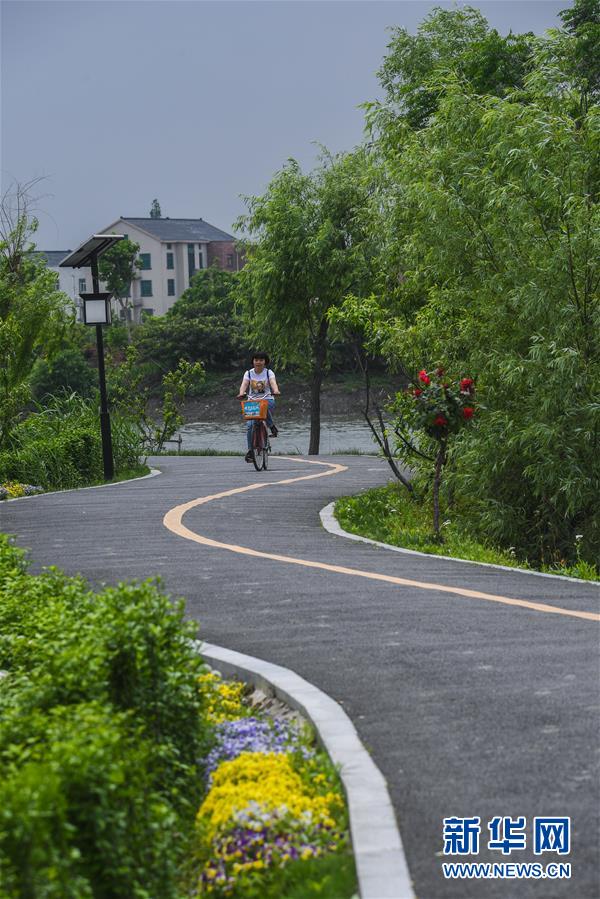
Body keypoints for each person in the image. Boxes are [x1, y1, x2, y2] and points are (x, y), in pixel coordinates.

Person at [237, 353, 281, 463]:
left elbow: (272, 382)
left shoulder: (268, 372)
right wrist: (241, 393)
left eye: (261, 360)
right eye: (256, 360)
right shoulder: (248, 373)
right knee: (250, 426)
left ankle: (271, 426)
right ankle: (250, 451)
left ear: (265, 362)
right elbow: (244, 384)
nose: (258, 362)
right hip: (252, 400)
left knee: (264, 405)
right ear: (253, 361)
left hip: (267, 399)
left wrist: (275, 390)